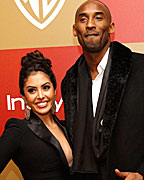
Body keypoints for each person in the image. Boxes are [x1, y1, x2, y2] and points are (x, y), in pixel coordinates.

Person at [61, 0, 144, 179]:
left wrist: (142, 173)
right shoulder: (69, 82)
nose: (90, 24)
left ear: (111, 27)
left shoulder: (140, 68)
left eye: (98, 18)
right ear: (75, 30)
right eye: (83, 20)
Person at [0, 50, 73, 180]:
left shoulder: (66, 126)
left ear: (54, 90)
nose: (40, 96)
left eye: (45, 87)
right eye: (32, 90)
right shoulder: (18, 130)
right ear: (24, 97)